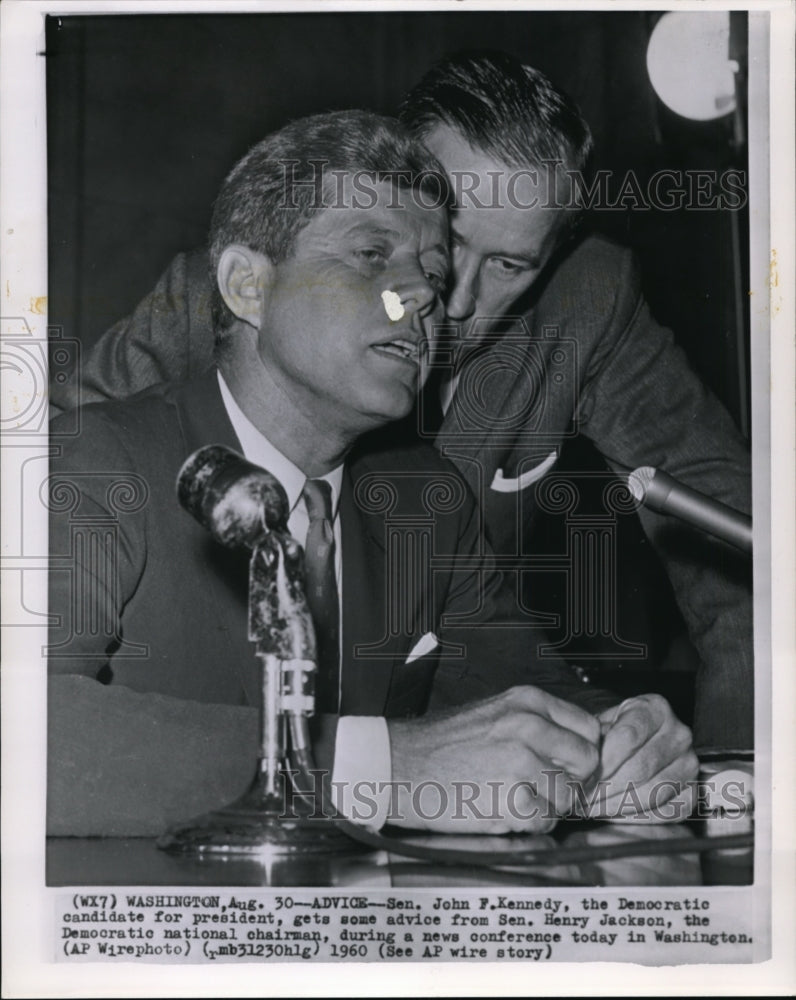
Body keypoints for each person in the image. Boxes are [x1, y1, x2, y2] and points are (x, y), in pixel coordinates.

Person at [50, 51, 753, 766]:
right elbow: (59, 474)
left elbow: (741, 553)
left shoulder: (585, 309)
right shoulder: (231, 291)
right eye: (438, 247)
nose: (444, 301)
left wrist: (701, 777)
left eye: (508, 266)